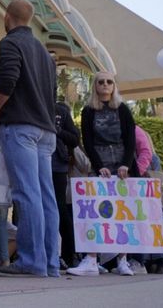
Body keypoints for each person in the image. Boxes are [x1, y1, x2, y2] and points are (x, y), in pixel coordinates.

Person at [0, 0, 59, 278]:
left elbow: (8, 79)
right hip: (46, 130)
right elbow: (52, 94)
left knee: (26, 194)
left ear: (7, 17)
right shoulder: (43, 52)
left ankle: (30, 261)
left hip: (20, 126)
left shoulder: (10, 42)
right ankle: (50, 263)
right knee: (45, 197)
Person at [67, 72, 137, 277]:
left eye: (109, 82)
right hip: (100, 161)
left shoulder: (123, 109)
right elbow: (87, 141)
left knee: (123, 211)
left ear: (114, 86)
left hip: (122, 162)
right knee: (97, 211)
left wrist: (126, 164)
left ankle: (123, 260)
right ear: (94, 86)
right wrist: (98, 167)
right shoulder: (88, 110)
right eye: (101, 82)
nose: (105, 85)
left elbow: (130, 138)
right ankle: (91, 259)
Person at [52, 101, 79, 271]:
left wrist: (58, 131)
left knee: (60, 209)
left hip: (56, 165)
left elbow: (75, 138)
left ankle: (70, 255)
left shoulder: (60, 110)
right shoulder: (31, 100)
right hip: (36, 163)